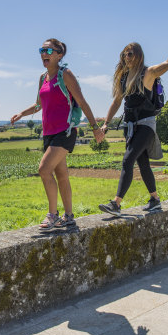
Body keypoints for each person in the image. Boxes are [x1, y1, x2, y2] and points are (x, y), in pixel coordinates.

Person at [98, 29, 168, 217]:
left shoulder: (148, 73)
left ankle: (116, 204)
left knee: (128, 160)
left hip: (146, 125)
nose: (126, 57)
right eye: (124, 54)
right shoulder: (123, 78)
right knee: (143, 164)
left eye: (130, 54)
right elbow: (117, 102)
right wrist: (106, 123)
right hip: (130, 127)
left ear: (138, 55)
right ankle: (155, 199)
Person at [11, 38, 104, 230]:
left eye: (48, 50)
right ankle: (68, 216)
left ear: (59, 55)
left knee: (44, 169)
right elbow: (38, 104)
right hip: (49, 133)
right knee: (61, 174)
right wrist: (22, 113)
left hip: (65, 131)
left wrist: (95, 127)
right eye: (41, 50)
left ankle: (52, 215)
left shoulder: (65, 74)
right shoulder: (42, 77)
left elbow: (82, 101)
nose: (43, 54)